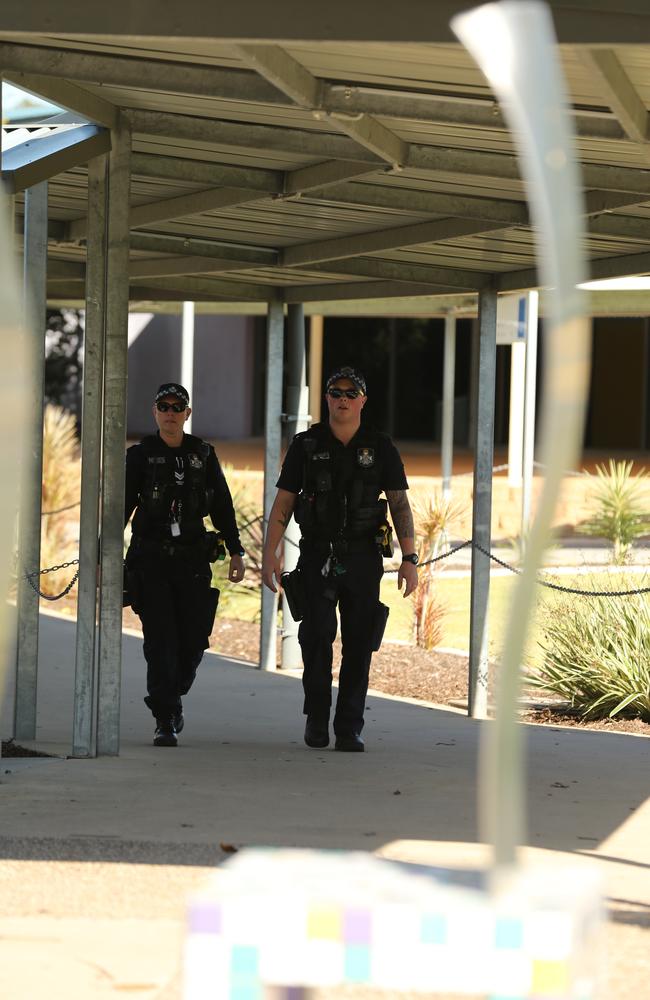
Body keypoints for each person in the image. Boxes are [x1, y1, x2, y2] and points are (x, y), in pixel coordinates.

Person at [262, 366, 418, 752]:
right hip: (317, 554)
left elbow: (399, 504)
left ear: (363, 400)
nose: (343, 398)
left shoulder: (380, 447)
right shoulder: (306, 445)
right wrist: (270, 553)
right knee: (316, 638)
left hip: (364, 557)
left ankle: (349, 727)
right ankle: (317, 718)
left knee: (360, 643)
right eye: (336, 392)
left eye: (351, 392)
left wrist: (410, 557)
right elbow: (283, 502)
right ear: (327, 398)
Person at [124, 382, 245, 747]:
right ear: (155, 411)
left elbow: (222, 505)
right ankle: (164, 717)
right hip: (152, 561)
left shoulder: (203, 454)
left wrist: (236, 551)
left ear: (188, 413)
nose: (171, 412)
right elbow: (122, 508)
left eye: (178, 407)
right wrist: (105, 555)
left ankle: (173, 695)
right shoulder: (140, 455)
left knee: (192, 640)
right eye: (165, 406)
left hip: (193, 560)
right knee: (160, 641)